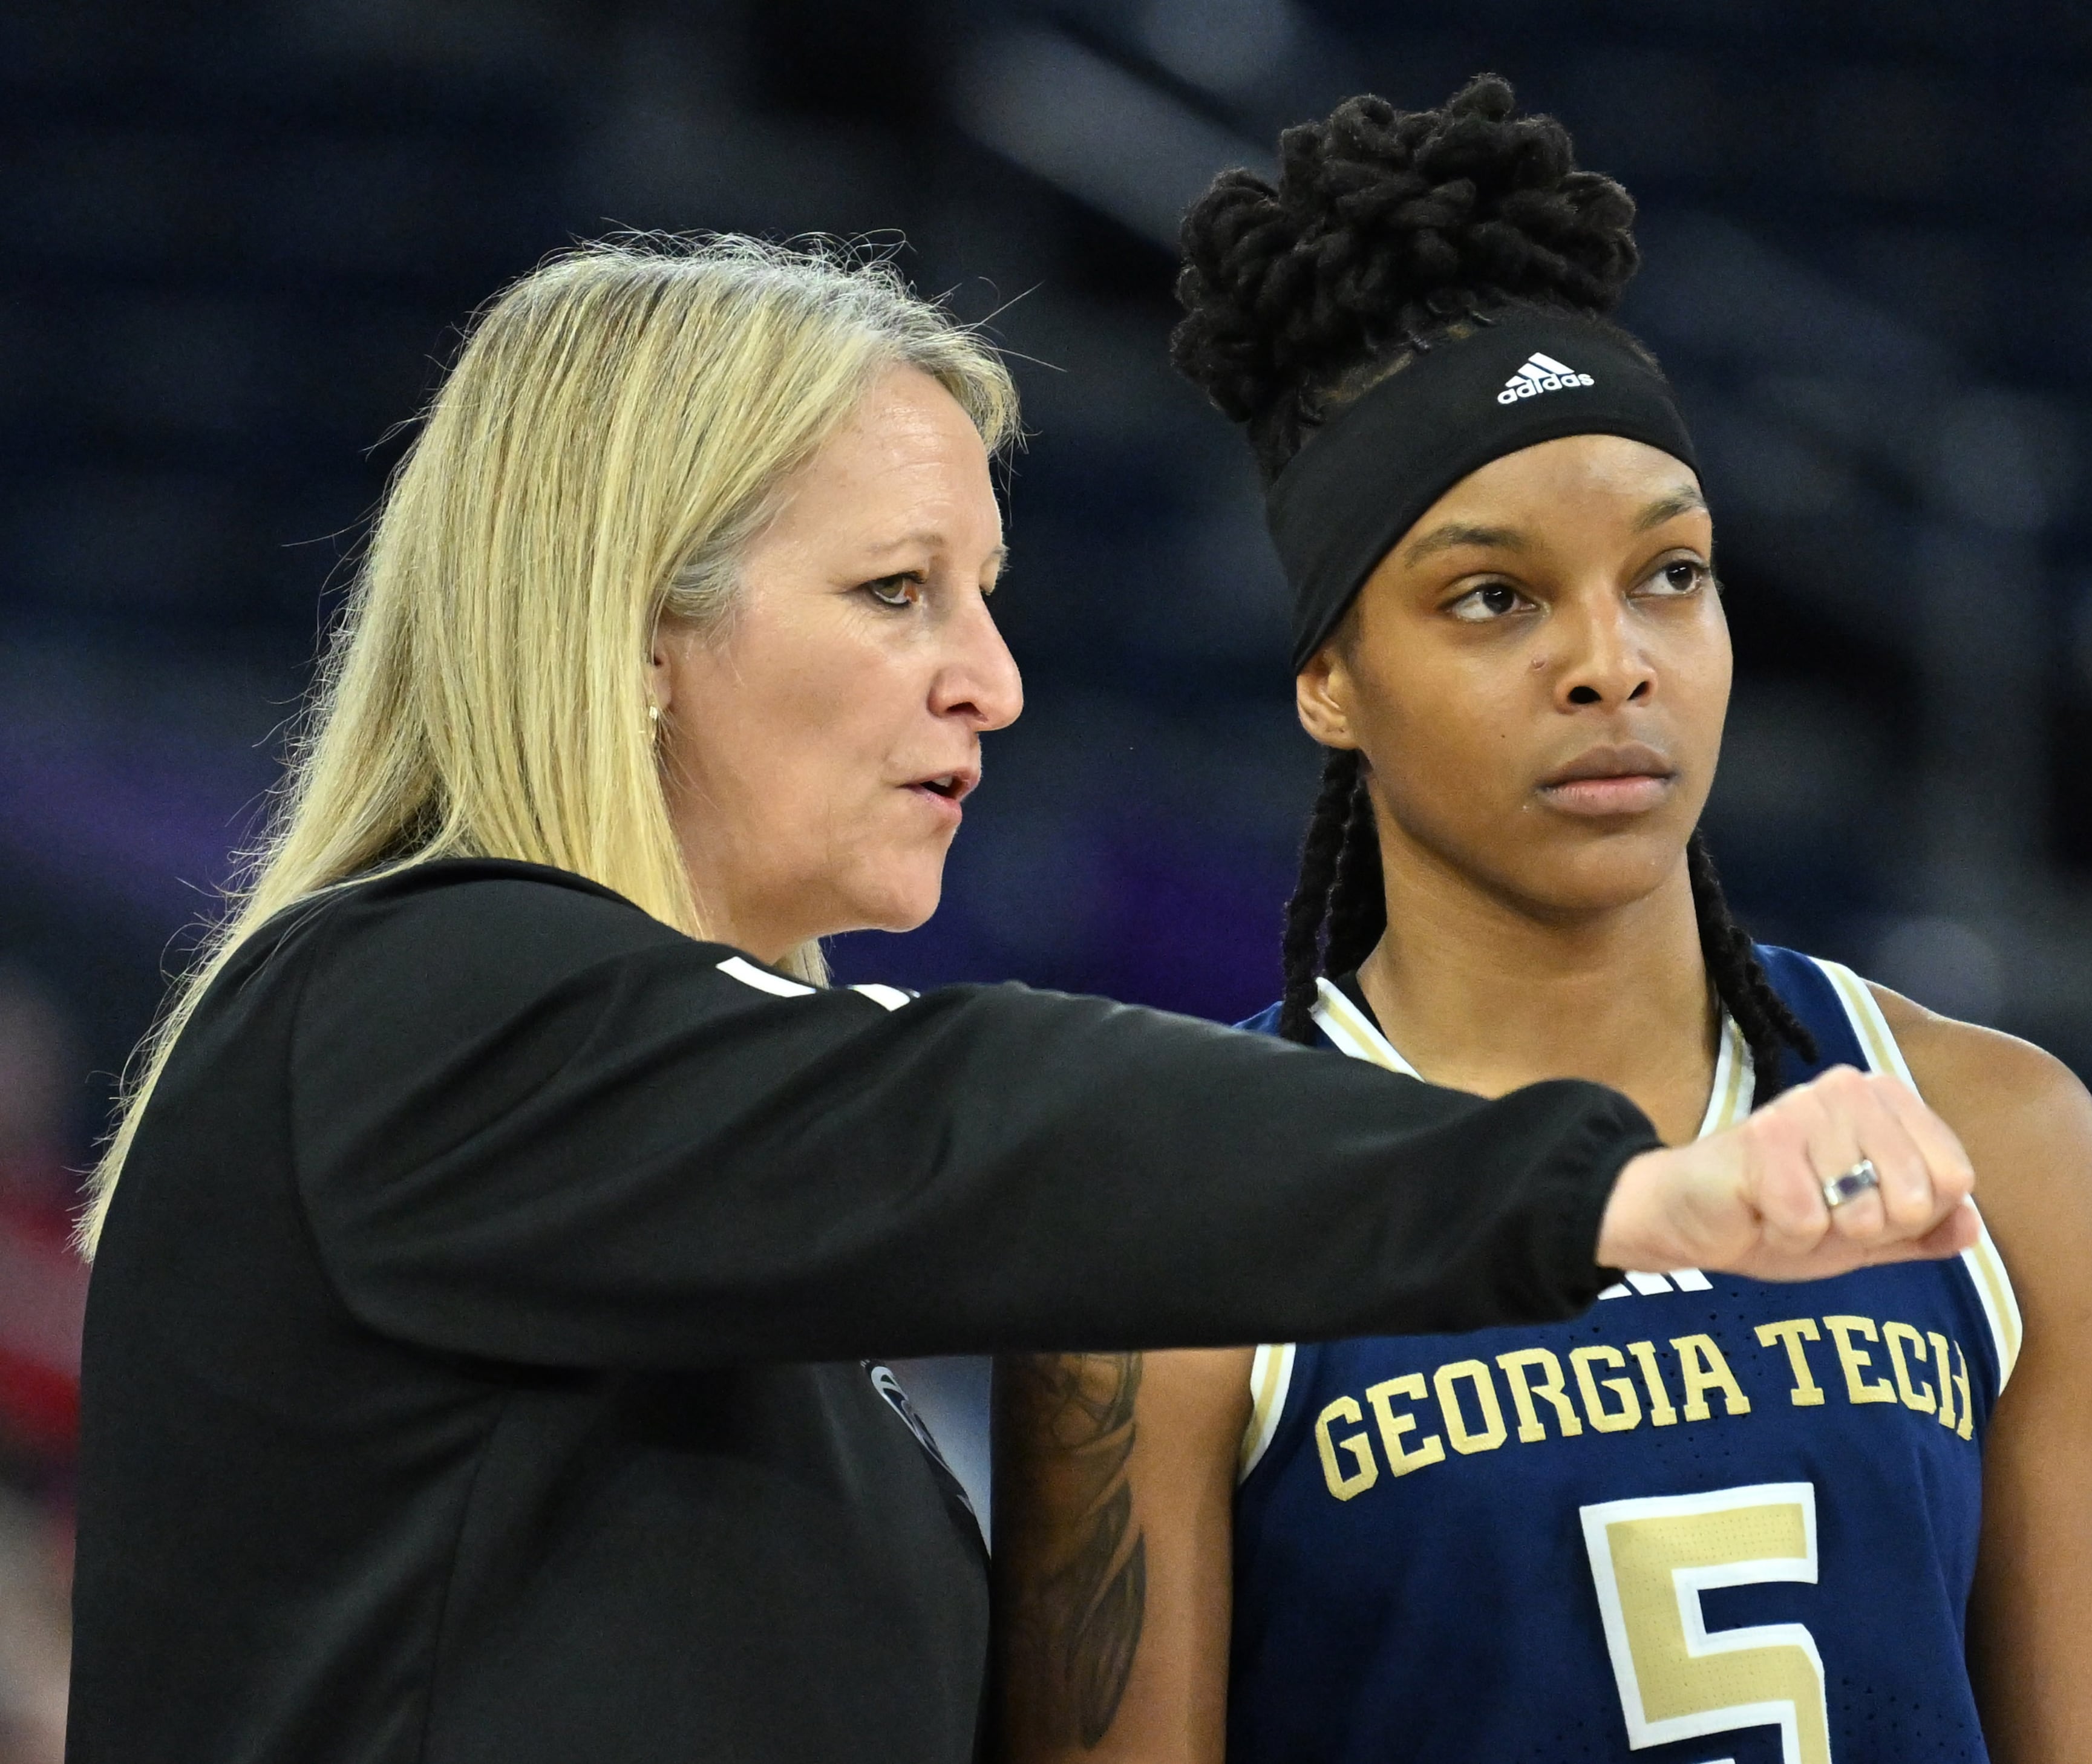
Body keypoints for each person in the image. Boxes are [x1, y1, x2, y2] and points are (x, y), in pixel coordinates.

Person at [67, 235, 1978, 1764]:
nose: (991, 677)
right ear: (633, 632)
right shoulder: (411, 1001)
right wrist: (1615, 1185)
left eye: (984, 595)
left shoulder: (665, 1164)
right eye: (898, 592)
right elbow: (989, 1110)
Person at [993, 80, 2092, 1764]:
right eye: (1493, 597)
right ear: (1329, 679)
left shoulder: (2003, 1141)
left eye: (1671, 573)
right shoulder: (1177, 1243)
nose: (1614, 660)